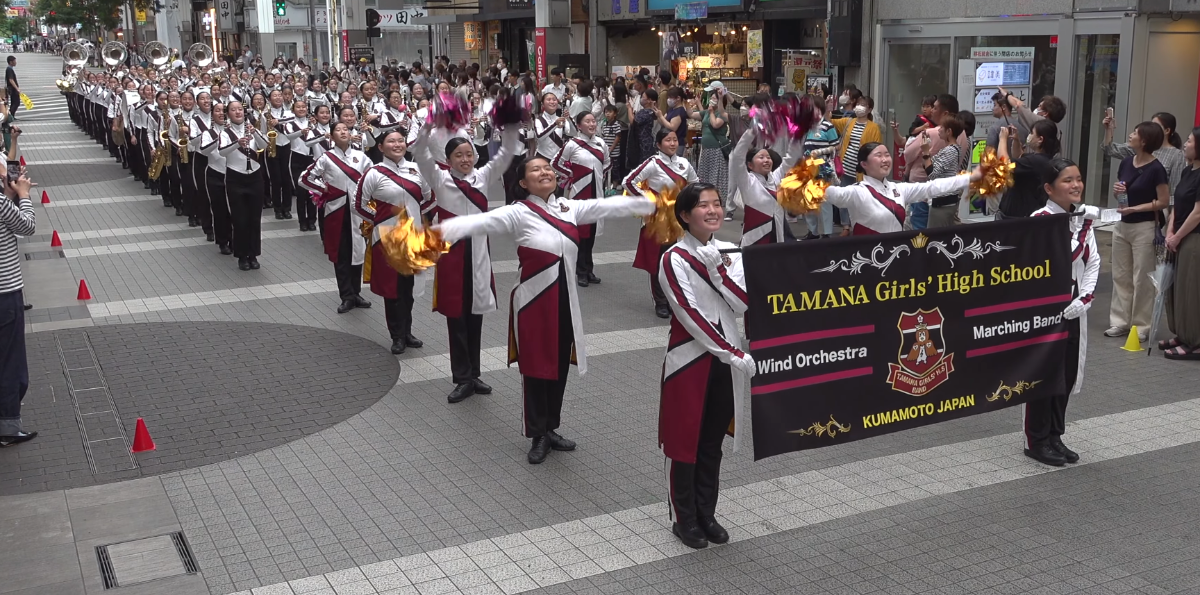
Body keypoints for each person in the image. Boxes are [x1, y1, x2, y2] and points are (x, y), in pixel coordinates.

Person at [438, 157, 655, 463]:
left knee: (559, 366)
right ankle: (537, 433)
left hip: (565, 300)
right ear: (523, 183)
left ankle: (551, 427)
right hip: (534, 302)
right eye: (535, 170)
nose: (545, 172)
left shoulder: (569, 207)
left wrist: (653, 202)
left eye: (547, 168)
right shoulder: (518, 212)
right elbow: (476, 222)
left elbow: (607, 206)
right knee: (536, 368)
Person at [657, 182, 753, 549]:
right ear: (684, 214)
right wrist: (732, 352)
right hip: (689, 361)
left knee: (712, 442)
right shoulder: (673, 258)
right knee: (684, 442)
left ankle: (706, 513)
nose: (712, 210)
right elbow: (688, 313)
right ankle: (683, 518)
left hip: (724, 362)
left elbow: (741, 303)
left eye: (716, 204)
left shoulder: (730, 253)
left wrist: (718, 273)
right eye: (703, 205)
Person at [415, 116, 522, 404]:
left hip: (479, 251)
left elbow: (506, 154)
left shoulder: (483, 176)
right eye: (458, 155)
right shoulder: (440, 178)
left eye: (469, 154)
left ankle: (474, 374)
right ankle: (461, 377)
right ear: (448, 159)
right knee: (456, 315)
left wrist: (511, 125)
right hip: (452, 253)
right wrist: (427, 127)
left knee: (475, 313)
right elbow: (420, 154)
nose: (465, 159)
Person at [1023, 158, 1099, 467]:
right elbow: (1048, 263)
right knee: (1043, 376)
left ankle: (1055, 434)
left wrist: (1085, 299)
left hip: (1074, 309)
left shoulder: (1082, 218)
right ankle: (1036, 439)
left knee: (1065, 375)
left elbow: (1092, 262)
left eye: (1078, 178)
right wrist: (1080, 228)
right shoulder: (1039, 220)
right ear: (1049, 188)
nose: (1076, 185)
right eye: (1068, 180)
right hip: (1046, 313)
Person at [353, 129, 432, 355]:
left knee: (409, 286)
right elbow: (358, 204)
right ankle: (396, 335)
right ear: (380, 147)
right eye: (391, 141)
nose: (397, 145)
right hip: (386, 238)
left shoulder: (417, 169)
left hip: (413, 237)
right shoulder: (373, 173)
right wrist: (380, 221)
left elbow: (430, 198)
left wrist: (416, 218)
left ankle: (407, 332)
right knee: (393, 289)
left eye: (400, 141)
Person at [823, 142, 982, 235]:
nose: (885, 159)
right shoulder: (856, 192)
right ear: (864, 164)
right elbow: (830, 194)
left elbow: (932, 187)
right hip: (867, 261)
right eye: (879, 155)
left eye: (887, 154)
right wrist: (812, 178)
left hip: (897, 258)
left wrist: (970, 177)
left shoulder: (899, 189)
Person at [298, 121, 374, 313]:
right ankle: (346, 295)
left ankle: (356, 293)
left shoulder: (361, 157)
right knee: (341, 253)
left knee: (358, 251)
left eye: (345, 129)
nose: (343, 132)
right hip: (336, 212)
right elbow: (304, 178)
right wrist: (323, 189)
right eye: (338, 130)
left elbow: (373, 178)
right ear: (331, 136)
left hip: (358, 212)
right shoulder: (326, 158)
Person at [1106, 121, 1170, 343]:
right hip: (1122, 224)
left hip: (1144, 226)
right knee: (1120, 274)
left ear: (1144, 141)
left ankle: (1141, 325)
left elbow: (1163, 201)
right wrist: (1118, 192)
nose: (1131, 135)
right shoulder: (1126, 162)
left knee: (1142, 277)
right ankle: (1120, 321)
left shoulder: (1157, 169)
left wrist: (1136, 208)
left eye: (1135, 133)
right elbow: (1122, 193)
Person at [624, 129, 699, 319]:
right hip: (658, 220)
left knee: (678, 259)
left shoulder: (684, 163)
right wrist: (651, 200)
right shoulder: (653, 163)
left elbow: (695, 184)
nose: (672, 143)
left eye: (674, 140)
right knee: (658, 261)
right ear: (658, 144)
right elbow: (629, 182)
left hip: (680, 219)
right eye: (667, 140)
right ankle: (660, 301)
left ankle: (675, 299)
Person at [552, 111, 611, 287]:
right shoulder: (572, 144)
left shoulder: (601, 143)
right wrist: (572, 175)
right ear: (579, 125)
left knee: (591, 233)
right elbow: (555, 163)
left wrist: (598, 175)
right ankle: (581, 271)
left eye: (593, 121)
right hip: (579, 194)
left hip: (596, 194)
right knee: (581, 233)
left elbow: (607, 163)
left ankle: (589, 269)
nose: (592, 124)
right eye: (587, 121)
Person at [0, 163, 35, 447]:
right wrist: (23, 196)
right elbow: (27, 226)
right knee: (10, 362)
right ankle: (8, 425)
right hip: (5, 291)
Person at [729, 125, 805, 246]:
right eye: (761, 157)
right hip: (754, 240)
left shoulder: (776, 177)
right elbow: (737, 156)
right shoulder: (747, 182)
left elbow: (791, 158)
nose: (766, 160)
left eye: (768, 157)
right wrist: (753, 130)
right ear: (750, 165)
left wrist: (799, 132)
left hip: (778, 238)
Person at [1161, 127, 1200, 360]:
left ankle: (1195, 341)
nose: (1185, 144)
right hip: (1179, 236)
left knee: (1191, 289)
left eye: (1190, 141)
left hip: (1194, 238)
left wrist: (1177, 236)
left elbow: (1198, 213)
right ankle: (1182, 334)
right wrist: (1170, 230)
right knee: (1175, 287)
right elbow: (1177, 205)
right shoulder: (1187, 171)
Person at [218, 101, 270, 270]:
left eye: (240, 109)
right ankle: (241, 256)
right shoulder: (225, 133)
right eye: (233, 110)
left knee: (254, 218)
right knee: (240, 219)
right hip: (235, 177)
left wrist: (255, 133)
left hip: (255, 177)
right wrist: (237, 143)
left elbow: (265, 145)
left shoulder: (252, 129)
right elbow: (222, 152)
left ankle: (253, 254)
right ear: (228, 114)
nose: (237, 112)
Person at [830, 95, 883, 234]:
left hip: (862, 169)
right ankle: (846, 226)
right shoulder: (849, 122)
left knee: (861, 198)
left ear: (869, 109)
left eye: (863, 105)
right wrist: (827, 106)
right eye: (859, 104)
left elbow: (877, 149)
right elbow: (830, 121)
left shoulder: (873, 128)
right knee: (843, 196)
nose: (860, 107)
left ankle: (859, 225)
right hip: (846, 166)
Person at [1104, 111, 1187, 197]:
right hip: (1130, 200)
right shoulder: (1138, 149)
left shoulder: (1175, 155)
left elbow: (1175, 190)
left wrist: (1165, 205)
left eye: (1156, 125)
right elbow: (1110, 150)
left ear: (1167, 130)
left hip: (1156, 201)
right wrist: (1108, 129)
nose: (1152, 128)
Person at [996, 120, 1060, 219]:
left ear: (1040, 139)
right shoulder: (1041, 158)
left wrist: (1002, 138)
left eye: (1032, 133)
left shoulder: (1036, 161)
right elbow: (1019, 156)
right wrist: (1016, 140)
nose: (1029, 136)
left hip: (1016, 218)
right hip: (1018, 216)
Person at [917, 114, 966, 228]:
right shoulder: (949, 149)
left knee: (935, 235)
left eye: (942, 127)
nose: (938, 130)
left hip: (943, 202)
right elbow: (927, 166)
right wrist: (926, 149)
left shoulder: (950, 151)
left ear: (949, 131)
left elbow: (932, 174)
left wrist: (926, 152)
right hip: (943, 200)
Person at [198, 102, 233, 255]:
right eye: (217, 111)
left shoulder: (234, 130)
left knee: (234, 210)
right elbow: (204, 151)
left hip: (232, 173)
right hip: (215, 174)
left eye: (224, 111)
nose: (221, 113)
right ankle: (222, 241)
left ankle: (234, 239)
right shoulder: (208, 133)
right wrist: (220, 137)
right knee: (219, 210)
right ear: (212, 114)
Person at [697, 83, 731, 218]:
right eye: (710, 97)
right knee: (706, 174)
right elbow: (695, 114)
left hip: (716, 149)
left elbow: (715, 124)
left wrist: (711, 112)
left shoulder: (721, 114)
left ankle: (716, 201)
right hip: (706, 149)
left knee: (716, 176)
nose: (711, 99)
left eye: (713, 97)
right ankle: (705, 198)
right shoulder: (708, 111)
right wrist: (697, 102)